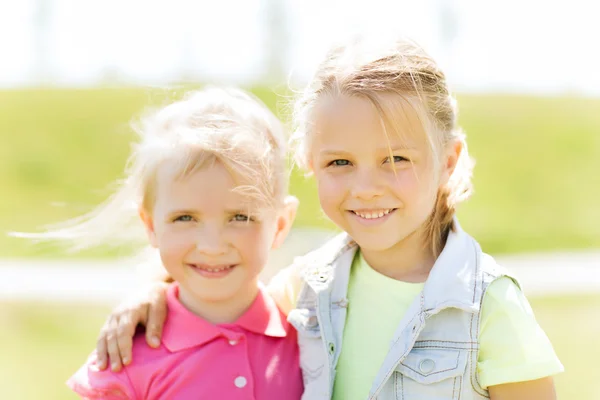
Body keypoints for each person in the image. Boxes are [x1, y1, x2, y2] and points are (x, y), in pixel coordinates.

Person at [92, 37, 563, 399]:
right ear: (310, 163)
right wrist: (153, 294)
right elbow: (219, 297)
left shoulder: (489, 307)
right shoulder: (306, 287)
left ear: (448, 160)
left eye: (396, 158)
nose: (365, 187)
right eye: (340, 163)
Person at [52, 87, 304, 399]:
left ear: (279, 224)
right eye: (185, 218)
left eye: (240, 217)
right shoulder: (125, 359)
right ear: (151, 225)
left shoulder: (311, 340)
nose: (212, 245)